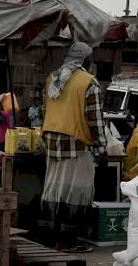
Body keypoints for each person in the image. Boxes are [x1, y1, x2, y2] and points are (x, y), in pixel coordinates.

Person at [41, 42, 107, 253]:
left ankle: (53, 238)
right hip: (77, 144)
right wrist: (101, 148)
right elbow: (95, 120)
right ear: (85, 60)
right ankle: (69, 241)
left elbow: (46, 111)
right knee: (78, 192)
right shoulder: (89, 83)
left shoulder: (53, 78)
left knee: (54, 189)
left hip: (52, 142)